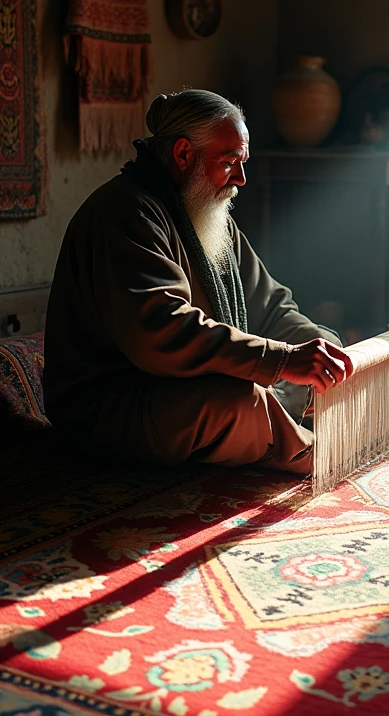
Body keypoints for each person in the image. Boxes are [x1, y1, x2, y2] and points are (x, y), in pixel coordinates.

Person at [43, 89, 353, 475]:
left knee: (323, 341)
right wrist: (283, 359)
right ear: (184, 154)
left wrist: (315, 350)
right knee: (241, 400)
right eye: (229, 162)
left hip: (175, 389)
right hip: (113, 404)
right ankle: (315, 452)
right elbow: (163, 332)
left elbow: (271, 307)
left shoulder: (206, 213)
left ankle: (270, 431)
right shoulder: (124, 214)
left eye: (243, 162)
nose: (240, 178)